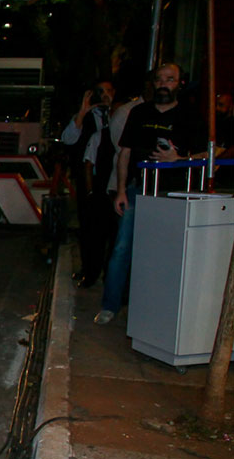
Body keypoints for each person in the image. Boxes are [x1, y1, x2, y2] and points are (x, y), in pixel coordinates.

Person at [94, 63, 205, 324]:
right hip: (139, 189)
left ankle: (163, 310)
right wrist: (121, 190)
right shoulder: (139, 112)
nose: (163, 84)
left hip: (174, 194)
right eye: (159, 79)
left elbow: (206, 154)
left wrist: (179, 158)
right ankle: (110, 305)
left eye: (170, 79)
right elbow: (125, 152)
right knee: (122, 247)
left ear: (180, 83)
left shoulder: (190, 115)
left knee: (167, 251)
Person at [61, 80, 116, 287]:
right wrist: (82, 113)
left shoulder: (117, 116)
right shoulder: (86, 118)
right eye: (100, 92)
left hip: (112, 181)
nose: (104, 95)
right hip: (88, 182)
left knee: (111, 231)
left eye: (108, 91)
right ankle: (89, 271)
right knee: (89, 229)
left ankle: (109, 274)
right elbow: (68, 139)